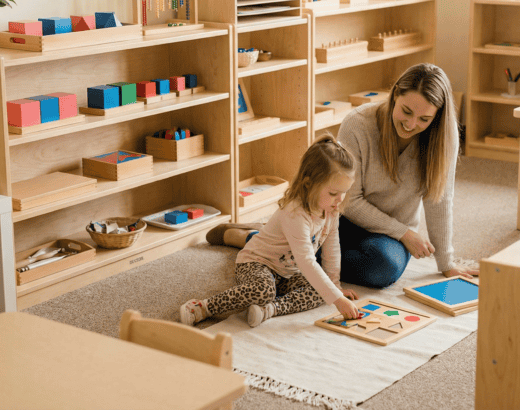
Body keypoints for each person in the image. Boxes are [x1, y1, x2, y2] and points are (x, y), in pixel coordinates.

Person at [181, 135, 360, 328]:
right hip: (257, 262)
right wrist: (338, 299)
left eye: (344, 192)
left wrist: (336, 287)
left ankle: (269, 310)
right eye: (333, 193)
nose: (340, 199)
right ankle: (204, 307)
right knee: (264, 290)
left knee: (322, 291)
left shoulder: (331, 210)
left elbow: (332, 247)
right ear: (309, 184)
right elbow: (306, 260)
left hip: (287, 272)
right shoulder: (295, 213)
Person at [336, 63, 478, 288]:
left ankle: (313, 263)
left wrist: (446, 262)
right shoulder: (357, 124)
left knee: (384, 267)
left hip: (390, 236)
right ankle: (310, 260)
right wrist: (404, 233)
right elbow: (349, 201)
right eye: (406, 111)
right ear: (395, 96)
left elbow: (440, 199)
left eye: (424, 119)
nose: (411, 125)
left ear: (436, 117)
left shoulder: (445, 136)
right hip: (345, 220)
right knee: (300, 233)